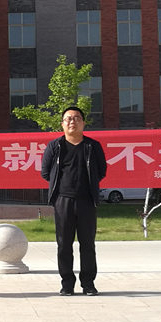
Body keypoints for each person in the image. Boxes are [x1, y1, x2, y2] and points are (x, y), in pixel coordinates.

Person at [41, 106, 107, 296]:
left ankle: (88, 284)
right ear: (62, 124)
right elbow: (46, 172)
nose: (72, 121)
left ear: (83, 123)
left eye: (77, 118)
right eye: (68, 118)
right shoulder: (55, 146)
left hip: (87, 201)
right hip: (63, 201)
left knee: (88, 244)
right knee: (64, 244)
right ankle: (67, 284)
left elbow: (101, 171)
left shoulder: (92, 146)